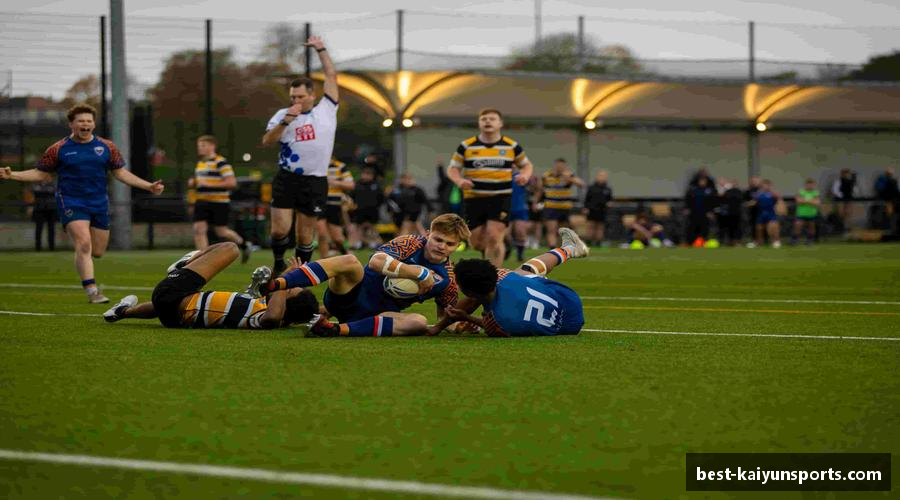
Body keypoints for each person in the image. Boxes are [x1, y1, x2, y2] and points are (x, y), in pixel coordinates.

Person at [0, 103, 164, 304]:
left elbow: (120, 173)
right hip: (71, 201)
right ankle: (92, 291)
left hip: (99, 202)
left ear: (93, 124)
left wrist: (149, 186)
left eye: (89, 121)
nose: (85, 124)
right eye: (81, 121)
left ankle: (87, 269)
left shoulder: (107, 147)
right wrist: (12, 175)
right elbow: (41, 173)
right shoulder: (58, 149)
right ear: (72, 124)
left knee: (97, 251)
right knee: (83, 243)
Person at [252, 214, 472, 338]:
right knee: (349, 260)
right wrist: (419, 272)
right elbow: (376, 262)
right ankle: (274, 284)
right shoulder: (410, 243)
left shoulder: (447, 280)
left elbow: (446, 316)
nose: (442, 247)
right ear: (428, 234)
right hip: (349, 293)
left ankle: (334, 330)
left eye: (449, 244)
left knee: (419, 321)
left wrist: (459, 325)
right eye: (438, 240)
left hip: (374, 317)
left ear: (457, 246)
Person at [102, 242, 318, 329]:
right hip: (172, 313)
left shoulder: (266, 319)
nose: (284, 288)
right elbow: (312, 311)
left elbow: (273, 314)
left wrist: (281, 286)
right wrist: (291, 275)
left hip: (173, 293)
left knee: (231, 248)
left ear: (285, 307)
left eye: (288, 291)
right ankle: (122, 311)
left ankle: (185, 263)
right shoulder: (262, 308)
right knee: (187, 302)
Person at [261, 35, 338, 275]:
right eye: (293, 97)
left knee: (305, 235)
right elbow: (267, 140)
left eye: (300, 97)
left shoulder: (327, 109)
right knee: (278, 231)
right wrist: (286, 120)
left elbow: (331, 76)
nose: (296, 100)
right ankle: (278, 263)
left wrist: (321, 49)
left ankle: (299, 273)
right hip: (288, 177)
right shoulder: (282, 115)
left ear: (311, 95)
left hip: (314, 180)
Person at [426, 228, 589, 337]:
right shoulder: (503, 275)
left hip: (569, 328)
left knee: (523, 273)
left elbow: (487, 322)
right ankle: (569, 249)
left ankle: (571, 249)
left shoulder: (496, 323)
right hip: (570, 301)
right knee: (524, 271)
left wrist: (466, 318)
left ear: (468, 292)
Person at [446, 108, 533, 267]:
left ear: (500, 123)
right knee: (476, 243)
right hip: (474, 198)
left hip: (500, 197)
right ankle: (497, 250)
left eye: (492, 119)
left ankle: (494, 276)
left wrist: (525, 176)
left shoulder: (511, 146)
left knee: (494, 236)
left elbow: (526, 165)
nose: (487, 121)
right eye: (484, 119)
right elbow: (452, 168)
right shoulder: (466, 146)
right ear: (479, 123)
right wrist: (459, 181)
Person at [189, 135, 252, 261]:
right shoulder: (200, 163)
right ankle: (203, 259)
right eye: (199, 146)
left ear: (212, 146)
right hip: (201, 201)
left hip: (219, 202)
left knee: (221, 232)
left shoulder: (221, 162)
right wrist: (193, 182)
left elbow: (232, 183)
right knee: (198, 229)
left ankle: (244, 245)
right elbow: (201, 181)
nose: (200, 148)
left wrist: (209, 184)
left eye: (203, 145)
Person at [541, 158, 585, 248]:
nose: (559, 167)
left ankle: (561, 248)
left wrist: (569, 178)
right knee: (551, 229)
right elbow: (540, 189)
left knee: (563, 230)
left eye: (562, 166)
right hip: (551, 206)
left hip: (564, 206)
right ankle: (552, 247)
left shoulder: (569, 175)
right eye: (558, 165)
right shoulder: (546, 176)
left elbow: (581, 184)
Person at [316, 157, 354, 257]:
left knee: (337, 238)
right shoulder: (316, 165)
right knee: (321, 233)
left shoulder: (340, 166)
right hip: (318, 203)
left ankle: (346, 254)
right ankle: (323, 260)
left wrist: (335, 182)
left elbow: (351, 184)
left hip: (334, 205)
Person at [348, 166, 384, 250]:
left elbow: (381, 198)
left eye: (368, 174)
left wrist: (376, 206)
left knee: (371, 228)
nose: (366, 176)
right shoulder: (357, 184)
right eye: (364, 174)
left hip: (372, 211)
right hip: (359, 211)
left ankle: (374, 243)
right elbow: (351, 197)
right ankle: (358, 243)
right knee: (359, 227)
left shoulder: (376, 185)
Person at [582, 170, 613, 247]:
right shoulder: (591, 188)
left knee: (600, 227)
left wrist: (609, 204)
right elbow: (587, 199)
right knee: (590, 227)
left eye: (604, 176)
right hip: (592, 210)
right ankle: (588, 242)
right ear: (597, 177)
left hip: (602, 211)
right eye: (600, 176)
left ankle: (598, 243)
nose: (602, 178)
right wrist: (585, 208)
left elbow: (610, 199)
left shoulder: (608, 189)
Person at [25, 180, 57, 251]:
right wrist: (30, 207)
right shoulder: (34, 185)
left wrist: (42, 191)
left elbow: (55, 192)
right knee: (38, 228)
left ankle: (52, 248)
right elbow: (30, 194)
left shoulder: (53, 184)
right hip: (39, 209)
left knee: (51, 229)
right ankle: (38, 247)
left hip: (51, 209)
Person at [505, 171, 530, 262]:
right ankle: (508, 248)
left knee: (520, 232)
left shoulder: (521, 176)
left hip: (520, 208)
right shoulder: (502, 175)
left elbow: (535, 185)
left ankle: (520, 254)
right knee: (505, 234)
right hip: (505, 208)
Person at [748, 179, 781, 248]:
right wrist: (749, 204)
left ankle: (776, 241)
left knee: (772, 228)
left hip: (771, 213)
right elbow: (755, 201)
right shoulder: (759, 194)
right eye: (764, 185)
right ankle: (759, 241)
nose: (766, 187)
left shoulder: (773, 193)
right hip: (761, 213)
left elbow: (778, 199)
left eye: (767, 185)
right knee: (759, 228)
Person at [684, 176, 716, 245]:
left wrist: (710, 211)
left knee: (704, 228)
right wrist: (687, 208)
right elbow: (688, 200)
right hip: (694, 213)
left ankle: (702, 241)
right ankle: (691, 242)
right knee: (693, 227)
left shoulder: (709, 191)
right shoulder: (693, 190)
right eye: (701, 181)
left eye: (704, 181)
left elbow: (712, 202)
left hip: (705, 213)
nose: (702, 182)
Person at [792, 178, 820, 245]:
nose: (810, 186)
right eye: (808, 184)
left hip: (812, 213)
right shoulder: (801, 192)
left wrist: (804, 200)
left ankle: (810, 240)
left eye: (812, 185)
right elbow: (798, 201)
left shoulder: (816, 193)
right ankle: (794, 239)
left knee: (811, 227)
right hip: (801, 213)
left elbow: (817, 202)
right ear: (805, 185)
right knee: (798, 225)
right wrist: (811, 201)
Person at [716, 178, 743, 246]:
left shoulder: (739, 191)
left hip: (736, 213)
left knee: (736, 227)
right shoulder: (727, 191)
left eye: (735, 183)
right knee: (728, 228)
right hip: (728, 213)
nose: (734, 184)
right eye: (732, 183)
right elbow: (722, 199)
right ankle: (729, 241)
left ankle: (737, 241)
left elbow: (741, 201)